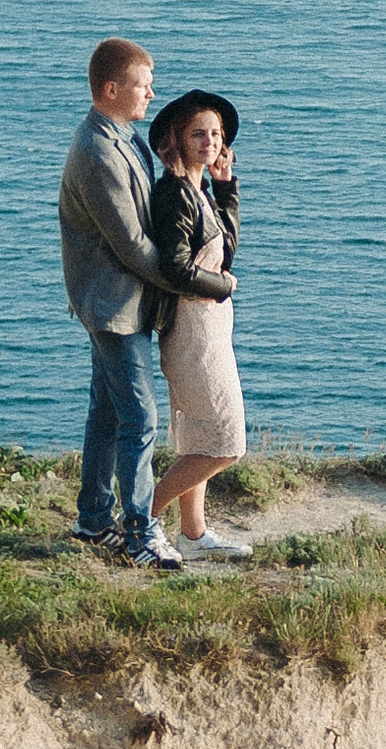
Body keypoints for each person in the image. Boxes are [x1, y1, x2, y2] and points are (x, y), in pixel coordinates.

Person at [58, 39, 219, 566]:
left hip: (119, 302)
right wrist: (189, 281)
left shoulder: (124, 138)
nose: (151, 91)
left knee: (106, 413)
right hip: (114, 306)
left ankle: (92, 518)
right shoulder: (98, 151)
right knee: (140, 418)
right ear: (111, 89)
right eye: (141, 84)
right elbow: (132, 244)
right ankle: (141, 533)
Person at [146, 89, 253, 560]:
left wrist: (226, 187)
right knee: (226, 443)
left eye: (215, 133)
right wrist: (223, 288)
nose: (210, 141)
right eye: (198, 134)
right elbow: (174, 267)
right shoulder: (174, 193)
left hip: (209, 329)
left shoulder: (198, 188)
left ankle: (193, 536)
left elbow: (224, 248)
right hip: (192, 330)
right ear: (178, 139)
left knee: (198, 438)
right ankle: (140, 519)